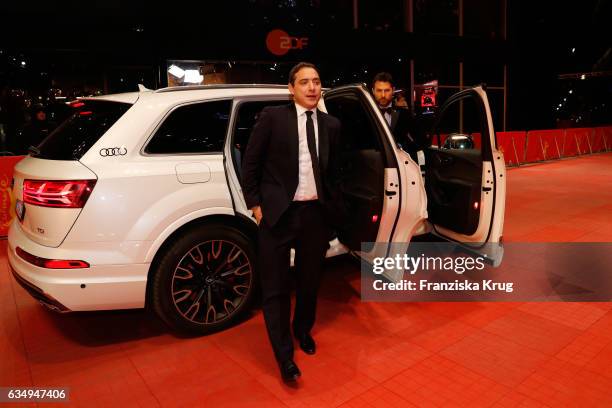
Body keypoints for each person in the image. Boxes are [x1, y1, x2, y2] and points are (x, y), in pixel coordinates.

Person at [241, 62, 345, 383]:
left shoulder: (332, 125)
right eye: (304, 82)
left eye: (316, 81)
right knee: (275, 288)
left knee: (310, 282)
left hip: (314, 216)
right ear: (291, 88)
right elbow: (250, 165)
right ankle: (284, 355)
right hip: (277, 215)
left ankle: (303, 330)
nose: (312, 88)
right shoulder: (273, 118)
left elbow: (336, 174)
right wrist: (257, 209)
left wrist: (332, 212)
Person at [371, 72, 425, 154]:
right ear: (373, 91)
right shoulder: (366, 114)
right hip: (374, 161)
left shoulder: (404, 114)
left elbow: (419, 139)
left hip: (400, 162)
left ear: (393, 90)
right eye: (379, 90)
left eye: (387, 90)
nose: (383, 95)